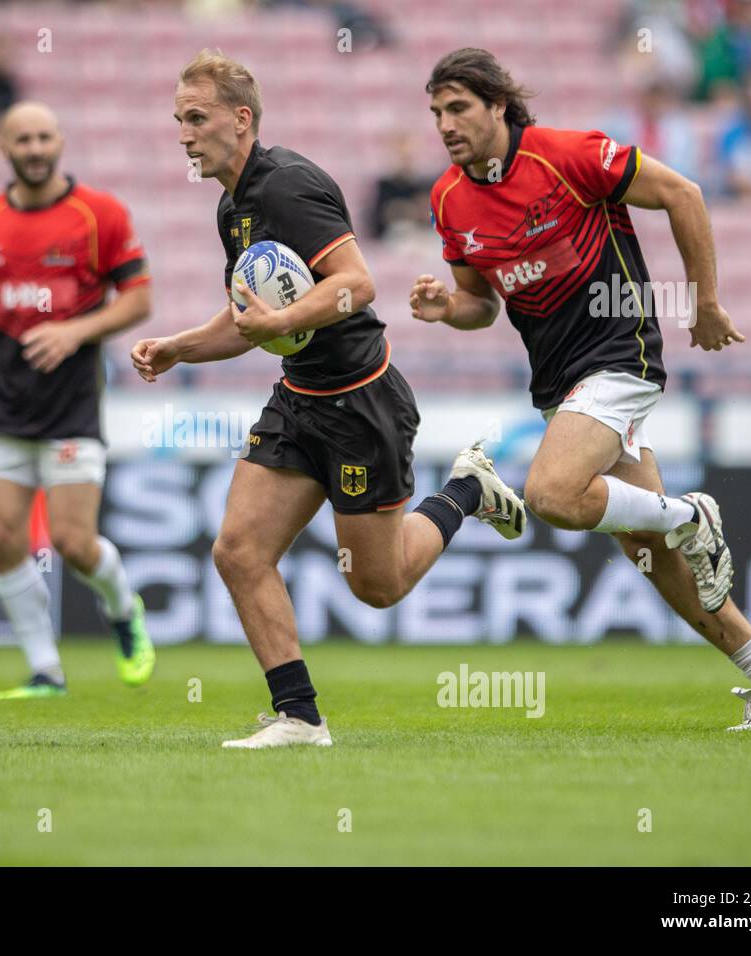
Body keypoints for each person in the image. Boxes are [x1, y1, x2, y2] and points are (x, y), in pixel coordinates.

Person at [132, 51, 525, 749]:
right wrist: (179, 347)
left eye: (196, 119)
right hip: (299, 399)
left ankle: (466, 490)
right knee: (238, 551)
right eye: (177, 121)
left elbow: (356, 283)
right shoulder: (233, 206)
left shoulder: (289, 186)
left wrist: (281, 323)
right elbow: (251, 316)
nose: (184, 134)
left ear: (241, 119)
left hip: (360, 404)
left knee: (379, 586)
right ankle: (300, 718)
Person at [412, 48, 751, 731]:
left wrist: (705, 303)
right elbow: (481, 305)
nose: (446, 124)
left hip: (618, 351)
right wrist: (448, 308)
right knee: (652, 555)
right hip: (558, 383)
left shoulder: (567, 155)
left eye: (459, 108)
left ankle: (691, 515)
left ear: (498, 105)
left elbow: (683, 193)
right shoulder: (448, 198)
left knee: (550, 494)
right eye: (436, 112)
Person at [0, 102, 155, 698]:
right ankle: (44, 670)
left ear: (60, 143)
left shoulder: (99, 214)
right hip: (0, 403)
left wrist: (74, 332)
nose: (34, 148)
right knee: (5, 536)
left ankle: (123, 609)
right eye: (22, 139)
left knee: (73, 544)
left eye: (44, 137)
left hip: (71, 405)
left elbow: (139, 300)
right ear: (3, 148)